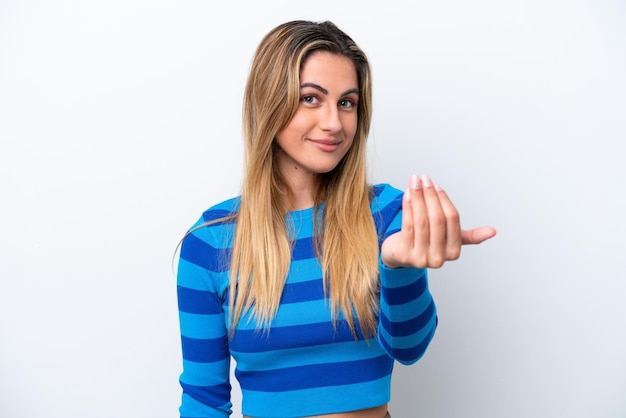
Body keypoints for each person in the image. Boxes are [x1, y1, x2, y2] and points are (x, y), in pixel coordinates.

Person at [176, 20, 496, 418]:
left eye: (347, 102)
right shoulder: (209, 244)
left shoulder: (387, 214)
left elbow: (410, 348)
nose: (334, 123)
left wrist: (396, 267)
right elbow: (204, 400)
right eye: (311, 98)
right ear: (269, 100)